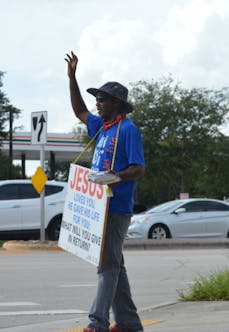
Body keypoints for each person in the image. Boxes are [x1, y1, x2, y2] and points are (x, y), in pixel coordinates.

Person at [65, 51, 145, 332]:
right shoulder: (102, 128)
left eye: (102, 99)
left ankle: (97, 323)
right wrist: (72, 78)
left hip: (117, 209)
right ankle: (129, 324)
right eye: (97, 98)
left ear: (117, 104)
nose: (97, 103)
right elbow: (79, 111)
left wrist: (115, 177)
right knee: (115, 266)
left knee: (106, 267)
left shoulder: (128, 130)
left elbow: (138, 168)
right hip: (99, 207)